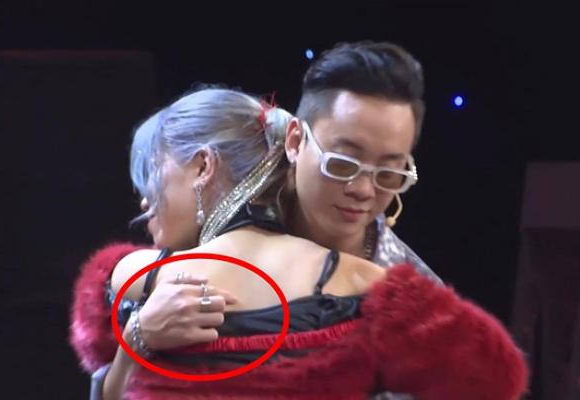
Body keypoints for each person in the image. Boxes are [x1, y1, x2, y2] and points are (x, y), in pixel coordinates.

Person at [71, 86, 527, 399]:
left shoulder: (134, 278)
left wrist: (136, 337)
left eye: (153, 177)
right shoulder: (360, 279)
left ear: (204, 167)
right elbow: (491, 373)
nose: (145, 203)